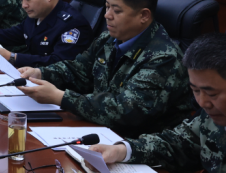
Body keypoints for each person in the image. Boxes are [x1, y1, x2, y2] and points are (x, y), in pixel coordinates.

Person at [16, 0, 194, 138]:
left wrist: (60, 98)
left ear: (143, 15)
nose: (107, 15)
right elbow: (78, 70)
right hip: (101, 131)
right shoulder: (108, 39)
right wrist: (41, 73)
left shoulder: (164, 57)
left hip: (140, 146)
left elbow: (128, 111)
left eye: (116, 11)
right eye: (107, 7)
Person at [90, 33, 226, 171]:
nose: (202, 103)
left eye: (212, 94)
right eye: (195, 91)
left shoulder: (164, 55)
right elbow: (178, 143)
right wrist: (121, 151)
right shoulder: (209, 117)